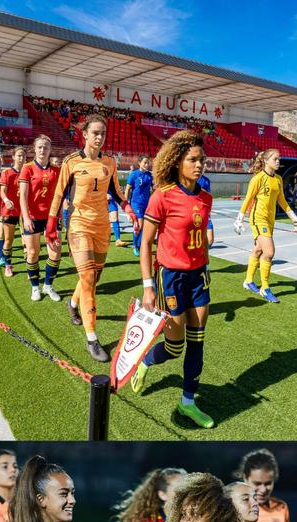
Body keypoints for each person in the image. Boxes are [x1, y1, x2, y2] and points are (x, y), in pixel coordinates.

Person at [130, 130, 216, 427]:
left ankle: (188, 402)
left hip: (198, 277)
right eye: (192, 159)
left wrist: (205, 261)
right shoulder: (162, 196)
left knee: (198, 341)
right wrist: (148, 287)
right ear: (177, 161)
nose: (199, 164)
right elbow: (145, 244)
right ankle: (146, 361)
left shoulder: (206, 197)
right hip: (171, 278)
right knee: (174, 346)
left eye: (202, 160)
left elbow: (202, 238)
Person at [47, 114, 135, 362]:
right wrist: (51, 224)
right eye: (95, 132)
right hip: (78, 225)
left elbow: (116, 191)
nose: (99, 137)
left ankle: (73, 305)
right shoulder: (71, 161)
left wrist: (128, 209)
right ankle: (92, 339)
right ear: (84, 134)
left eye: (103, 133)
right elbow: (58, 193)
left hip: (102, 226)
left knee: (92, 277)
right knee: (87, 277)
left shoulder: (109, 162)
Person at [234, 149, 297, 303]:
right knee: (269, 252)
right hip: (258, 219)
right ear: (266, 160)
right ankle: (265, 288)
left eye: (279, 159)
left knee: (258, 249)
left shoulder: (278, 179)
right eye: (275, 159)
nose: (278, 161)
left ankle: (248, 281)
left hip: (270, 220)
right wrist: (239, 219)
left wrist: (294, 218)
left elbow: (282, 201)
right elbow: (248, 199)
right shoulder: (257, 178)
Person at [19, 136, 63, 302]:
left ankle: (48, 285)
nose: (43, 150)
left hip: (52, 217)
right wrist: (26, 217)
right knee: (32, 253)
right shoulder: (27, 168)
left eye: (46, 147)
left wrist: (60, 216)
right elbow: (22, 196)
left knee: (55, 252)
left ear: (50, 150)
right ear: (34, 149)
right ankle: (35, 287)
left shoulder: (57, 171)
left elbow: (59, 196)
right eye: (40, 147)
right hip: (33, 217)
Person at [0, 148, 27, 277]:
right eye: (19, 155)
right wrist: (6, 200)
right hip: (10, 211)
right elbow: (2, 191)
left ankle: (30, 267)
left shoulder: (28, 172)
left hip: (25, 211)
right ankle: (8, 265)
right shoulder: (7, 173)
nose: (21, 158)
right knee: (8, 239)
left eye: (23, 156)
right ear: (13, 157)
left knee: (27, 240)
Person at [124, 155, 153, 257]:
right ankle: (136, 246)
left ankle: (140, 245)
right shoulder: (134, 174)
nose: (147, 164)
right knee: (139, 225)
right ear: (139, 163)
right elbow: (127, 189)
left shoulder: (150, 175)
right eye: (145, 162)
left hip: (147, 204)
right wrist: (126, 204)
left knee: (145, 227)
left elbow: (154, 189)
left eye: (148, 162)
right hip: (136, 204)